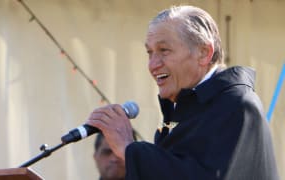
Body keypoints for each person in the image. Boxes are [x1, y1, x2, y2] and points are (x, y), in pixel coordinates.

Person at [86, 5, 279, 180]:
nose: (153, 65)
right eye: (149, 52)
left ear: (203, 53)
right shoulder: (185, 105)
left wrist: (129, 148)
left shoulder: (236, 105)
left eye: (164, 50)